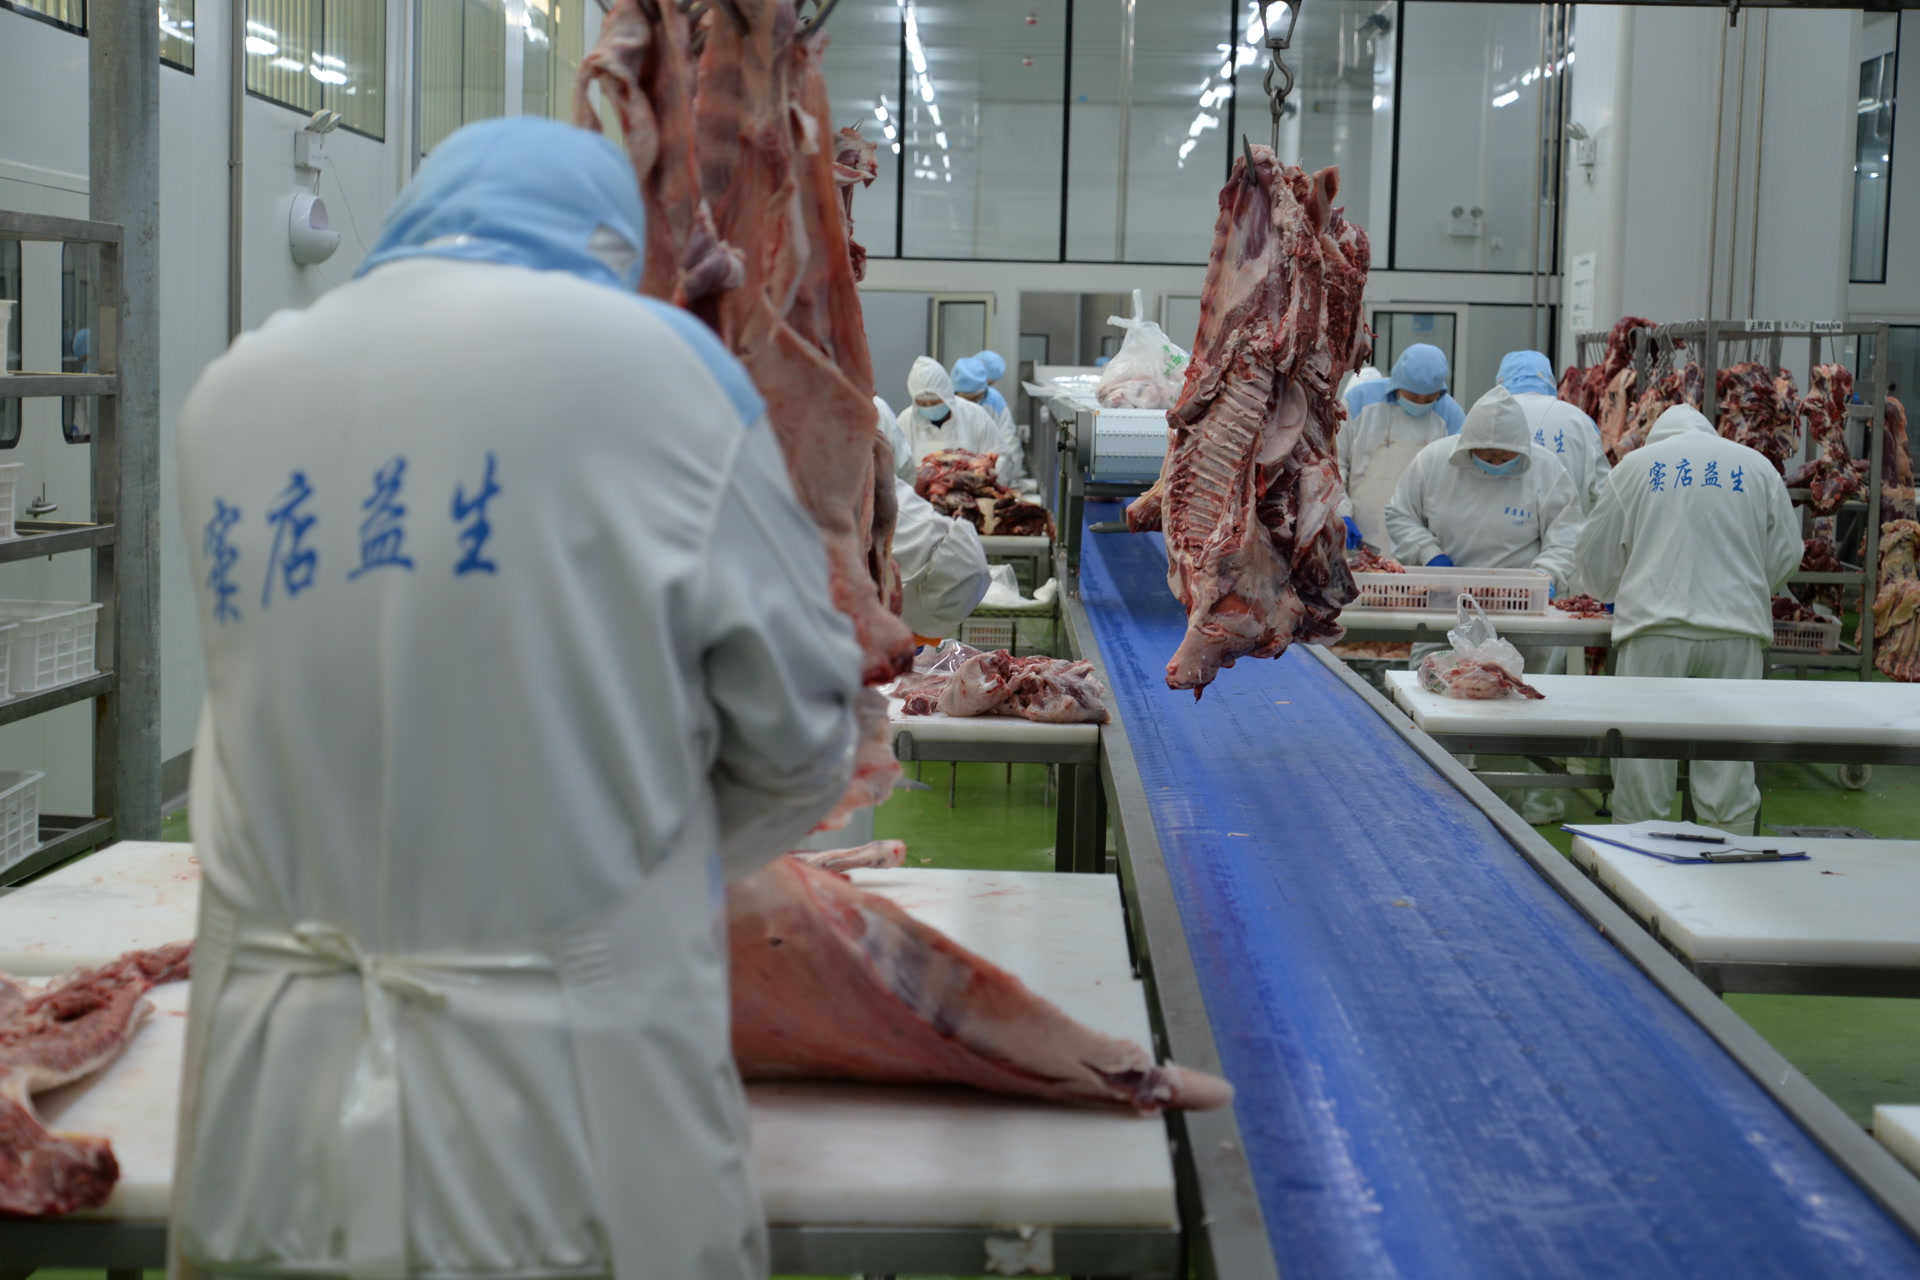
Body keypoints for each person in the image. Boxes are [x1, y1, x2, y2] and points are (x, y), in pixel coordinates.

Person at [169, 118, 864, 1280]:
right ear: (605, 243)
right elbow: (801, 738)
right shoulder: (660, 373)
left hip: (270, 1115)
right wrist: (648, 863)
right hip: (559, 1117)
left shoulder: (229, 391)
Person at [1574, 404, 1801, 833]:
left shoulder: (1635, 468)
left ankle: (1639, 858)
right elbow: (1788, 552)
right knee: (1728, 761)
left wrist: (1614, 591)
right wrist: (1747, 589)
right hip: (1736, 633)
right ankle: (1730, 853)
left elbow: (1594, 555)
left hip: (1653, 632)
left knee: (1644, 760)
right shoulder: (1757, 468)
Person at [1385, 385, 1585, 824]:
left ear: (1521, 449)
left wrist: (1544, 577)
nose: (1494, 460)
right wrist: (1429, 555)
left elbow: (1567, 533)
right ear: (1466, 447)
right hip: (1445, 606)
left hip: (1522, 614)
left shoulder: (1547, 471)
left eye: (1503, 455)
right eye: (1485, 454)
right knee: (1437, 706)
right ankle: (1433, 805)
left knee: (1516, 715)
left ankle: (1522, 812)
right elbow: (1400, 513)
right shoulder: (1433, 462)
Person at [1337, 343, 1467, 551]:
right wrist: (1340, 513)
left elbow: (1458, 482)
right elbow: (1335, 463)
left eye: (1429, 398)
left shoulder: (1451, 414)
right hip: (1360, 532)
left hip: (1420, 539)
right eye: (1413, 397)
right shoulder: (1359, 400)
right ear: (1397, 384)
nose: (1420, 403)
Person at [1498, 350, 1610, 516]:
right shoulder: (1580, 421)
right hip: (1570, 528)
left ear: (1501, 381)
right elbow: (1605, 494)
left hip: (1499, 527)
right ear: (1550, 381)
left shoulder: (1489, 416)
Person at [891, 354, 1009, 485]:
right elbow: (896, 469)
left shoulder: (975, 415)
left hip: (970, 494)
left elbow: (999, 457)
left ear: (947, 395)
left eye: (935, 402)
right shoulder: (905, 421)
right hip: (918, 496)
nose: (930, 407)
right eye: (922, 404)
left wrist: (979, 484)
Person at [952, 355, 1024, 477]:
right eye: (966, 399)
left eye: (976, 399)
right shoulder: (946, 404)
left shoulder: (994, 401)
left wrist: (1000, 478)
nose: (971, 405)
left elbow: (1008, 442)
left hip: (986, 473)